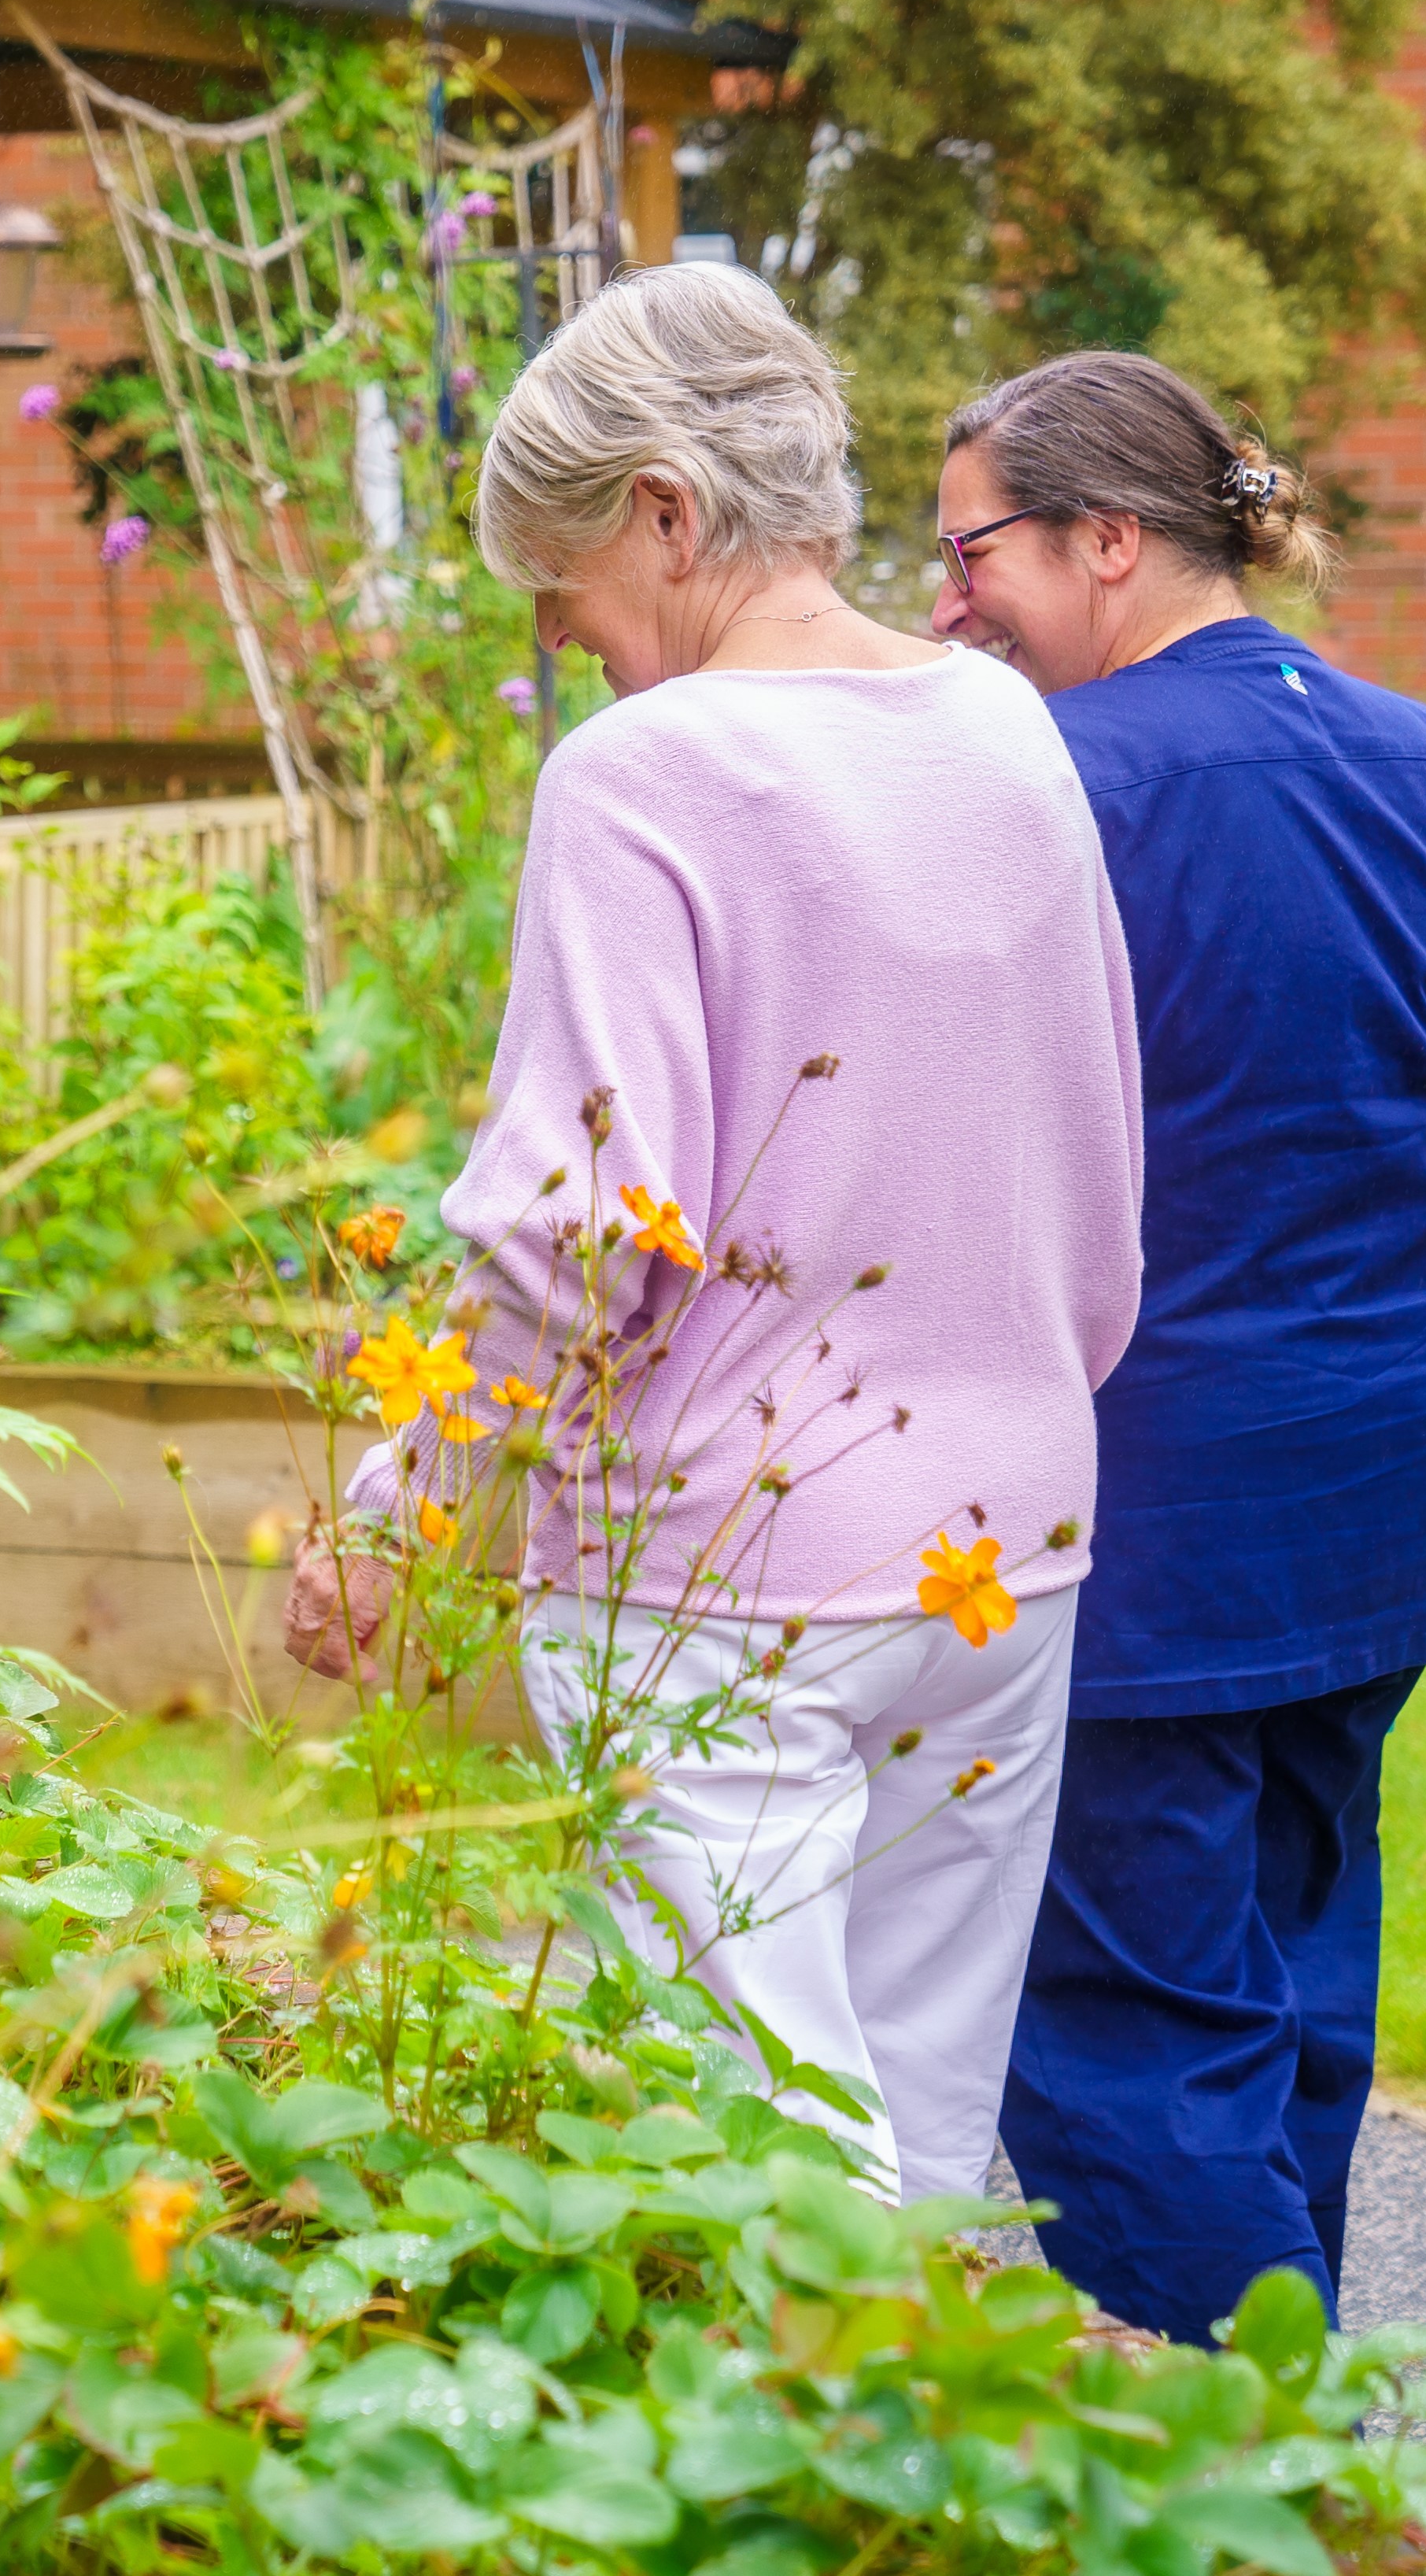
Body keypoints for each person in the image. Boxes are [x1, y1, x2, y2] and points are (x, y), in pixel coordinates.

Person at [282, 264, 1144, 2197]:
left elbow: (575, 1236)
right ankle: (913, 2486)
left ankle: (796, 2492)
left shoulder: (641, 776)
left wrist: (406, 1506)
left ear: (668, 512)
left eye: (563, 584)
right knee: (918, 2133)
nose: (567, 642)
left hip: (723, 1570)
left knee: (752, 2170)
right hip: (1009, 1546)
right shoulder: (1012, 732)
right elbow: (1101, 1175)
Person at [929, 349, 1426, 2341]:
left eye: (972, 548)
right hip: (1397, 1478)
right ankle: (1297, 2383)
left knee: (1121, 2027)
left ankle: (1252, 2460)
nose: (943, 598)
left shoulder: (1061, 786)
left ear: (1111, 541)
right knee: (1289, 1969)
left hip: (1167, 1504)